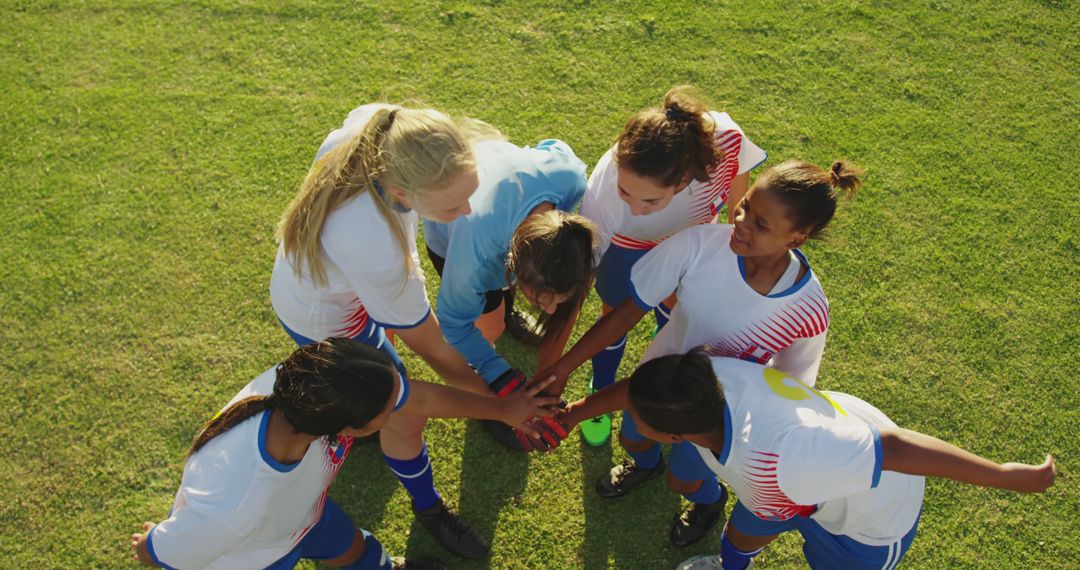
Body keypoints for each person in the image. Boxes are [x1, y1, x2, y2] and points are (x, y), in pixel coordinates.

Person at [538, 159, 863, 545]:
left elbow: (788, 390)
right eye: (745, 207)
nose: (741, 222)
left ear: (796, 239)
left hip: (716, 420)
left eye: (761, 224)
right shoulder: (698, 245)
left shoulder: (807, 311)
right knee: (634, 440)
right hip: (654, 384)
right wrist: (562, 369)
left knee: (685, 479)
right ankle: (645, 466)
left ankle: (710, 500)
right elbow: (625, 313)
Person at [563, 349, 1056, 570]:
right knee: (738, 528)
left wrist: (1005, 477)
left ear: (673, 434)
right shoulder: (702, 379)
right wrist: (576, 413)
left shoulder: (780, 459)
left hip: (862, 517)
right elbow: (641, 390)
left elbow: (897, 449)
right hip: (800, 479)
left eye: (636, 417)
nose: (629, 411)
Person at [269, 102, 499, 557]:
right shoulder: (376, 246)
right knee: (406, 415)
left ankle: (376, 431)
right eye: (452, 204)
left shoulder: (380, 130)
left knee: (389, 390)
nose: (467, 209)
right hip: (331, 323)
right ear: (401, 191)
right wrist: (497, 405)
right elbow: (431, 346)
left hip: (313, 288)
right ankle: (429, 508)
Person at [129, 338, 562, 570]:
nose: (404, 409)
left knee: (359, 551)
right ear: (347, 432)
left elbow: (422, 400)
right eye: (388, 412)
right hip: (255, 557)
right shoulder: (233, 506)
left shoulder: (312, 388)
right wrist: (150, 543)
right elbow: (168, 554)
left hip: (306, 516)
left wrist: (503, 409)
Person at [576, 85, 767, 447]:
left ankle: (668, 389)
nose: (634, 208)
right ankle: (600, 389)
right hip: (625, 251)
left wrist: (735, 232)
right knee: (613, 320)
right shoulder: (603, 200)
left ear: (683, 180)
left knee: (680, 318)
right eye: (625, 192)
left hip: (690, 248)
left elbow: (737, 169)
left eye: (650, 200)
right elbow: (583, 276)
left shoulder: (723, 138)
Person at [422, 138, 594, 451]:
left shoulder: (571, 179)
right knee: (489, 326)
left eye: (557, 300)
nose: (552, 312)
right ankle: (487, 401)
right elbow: (453, 322)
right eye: (543, 301)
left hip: (502, 221)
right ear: (512, 266)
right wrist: (503, 381)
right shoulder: (474, 249)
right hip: (449, 233)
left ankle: (507, 311)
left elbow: (553, 146)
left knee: (500, 311)